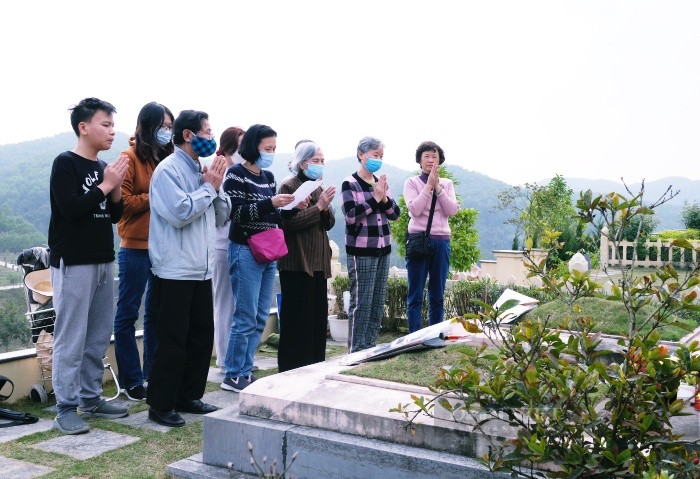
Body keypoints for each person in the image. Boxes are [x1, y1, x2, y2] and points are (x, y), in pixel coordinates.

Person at [48, 97, 130, 434]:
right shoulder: (65, 163)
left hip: (102, 260)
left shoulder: (102, 168)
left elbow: (112, 216)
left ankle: (91, 397)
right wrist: (107, 185)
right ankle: (65, 407)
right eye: (105, 125)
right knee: (71, 336)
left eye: (112, 125)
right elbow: (70, 209)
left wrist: (114, 192)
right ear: (84, 127)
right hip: (74, 261)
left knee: (97, 335)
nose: (112, 131)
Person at [146, 110, 230, 427]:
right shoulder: (167, 171)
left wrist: (217, 188)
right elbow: (180, 212)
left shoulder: (201, 170)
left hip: (202, 267)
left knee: (199, 336)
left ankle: (188, 395)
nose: (211, 137)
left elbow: (221, 216)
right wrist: (208, 188)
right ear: (188, 136)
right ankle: (161, 404)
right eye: (207, 132)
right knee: (172, 340)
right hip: (175, 270)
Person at [221, 124, 296, 392]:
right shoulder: (235, 174)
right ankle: (232, 373)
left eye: (274, 148)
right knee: (245, 315)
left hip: (268, 250)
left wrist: (291, 206)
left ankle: (245, 369)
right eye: (267, 148)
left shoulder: (268, 177)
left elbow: (272, 216)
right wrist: (271, 204)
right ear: (253, 146)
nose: (271, 153)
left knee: (260, 315)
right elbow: (237, 214)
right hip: (245, 250)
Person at [114, 102, 174, 401]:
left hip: (161, 247)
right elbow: (121, 204)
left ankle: (152, 373)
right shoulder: (128, 158)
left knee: (156, 315)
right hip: (134, 248)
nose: (167, 131)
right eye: (162, 125)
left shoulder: (165, 158)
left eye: (169, 126)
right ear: (147, 126)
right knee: (127, 314)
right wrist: (155, 195)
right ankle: (131, 379)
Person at [277, 141, 336, 372]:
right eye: (316, 161)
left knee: (316, 322)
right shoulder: (288, 185)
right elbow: (288, 223)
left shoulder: (317, 186)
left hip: (319, 262)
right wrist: (318, 207)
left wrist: (325, 206)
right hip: (297, 262)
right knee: (297, 322)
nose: (320, 165)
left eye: (322, 161)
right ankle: (292, 370)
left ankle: (314, 368)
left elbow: (329, 223)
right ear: (303, 163)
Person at [341, 136, 400, 353]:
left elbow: (395, 214)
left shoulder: (381, 183)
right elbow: (350, 215)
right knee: (362, 302)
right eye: (375, 155)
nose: (378, 159)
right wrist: (375, 199)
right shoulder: (350, 183)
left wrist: (383, 198)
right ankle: (355, 351)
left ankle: (370, 348)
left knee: (377, 302)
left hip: (383, 248)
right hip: (361, 250)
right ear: (361, 155)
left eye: (381, 156)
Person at [403, 141, 459, 332]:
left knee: (437, 294)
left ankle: (435, 335)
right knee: (415, 294)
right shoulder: (411, 183)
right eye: (426, 156)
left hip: (442, 241)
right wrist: (428, 186)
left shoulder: (447, 184)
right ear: (419, 160)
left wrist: (438, 188)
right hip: (419, 240)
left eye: (434, 156)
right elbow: (415, 210)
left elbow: (452, 210)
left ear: (440, 161)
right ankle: (414, 338)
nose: (430, 160)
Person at [212, 126, 245, 370]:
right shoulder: (220, 171)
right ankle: (224, 359)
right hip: (222, 244)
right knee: (224, 304)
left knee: (239, 304)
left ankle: (237, 357)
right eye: (242, 144)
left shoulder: (240, 171)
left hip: (240, 244)